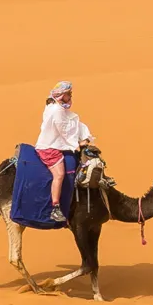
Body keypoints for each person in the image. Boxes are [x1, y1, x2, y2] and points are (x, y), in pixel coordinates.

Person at [34, 81, 94, 223]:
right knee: (59, 174)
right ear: (62, 95)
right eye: (69, 94)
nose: (71, 96)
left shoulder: (53, 106)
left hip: (52, 144)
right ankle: (55, 207)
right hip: (49, 149)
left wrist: (84, 134)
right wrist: (79, 143)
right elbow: (65, 130)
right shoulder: (57, 111)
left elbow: (73, 123)